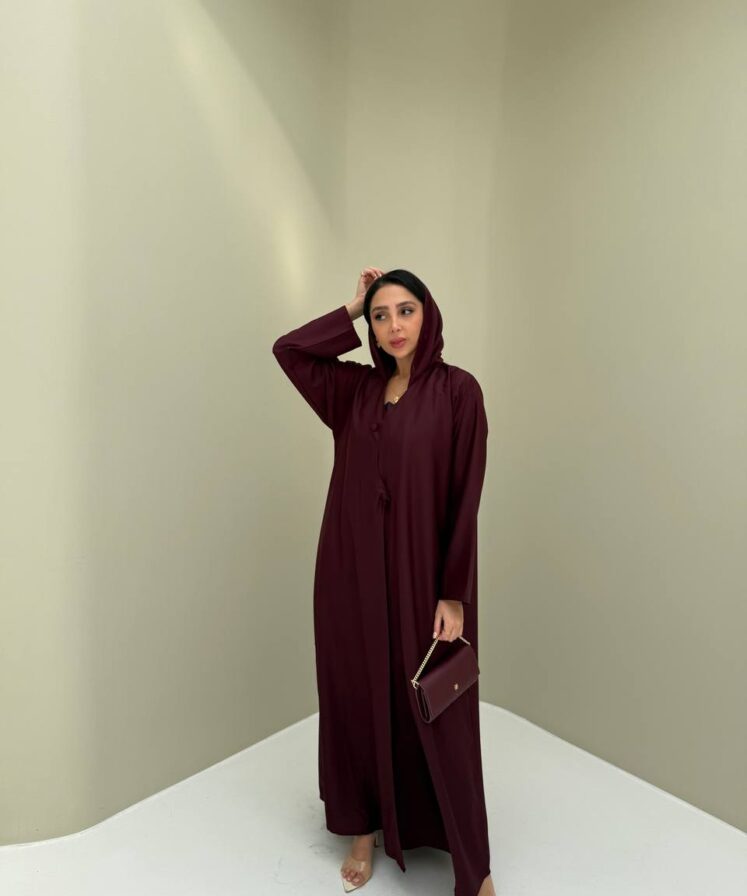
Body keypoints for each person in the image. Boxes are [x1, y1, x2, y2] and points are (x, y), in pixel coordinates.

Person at [272, 269, 494, 896]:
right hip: (349, 573)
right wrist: (349, 305)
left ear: (429, 314)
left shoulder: (458, 392)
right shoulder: (354, 391)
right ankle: (362, 829)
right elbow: (289, 351)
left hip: (425, 577)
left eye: (406, 310)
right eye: (380, 315)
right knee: (354, 696)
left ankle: (472, 864)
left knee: (438, 708)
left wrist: (453, 592)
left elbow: (465, 495)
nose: (394, 326)